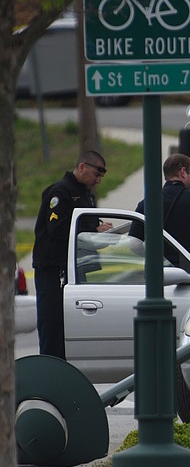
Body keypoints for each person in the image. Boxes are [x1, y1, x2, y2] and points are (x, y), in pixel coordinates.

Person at [33, 150, 113, 359]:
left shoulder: (85, 195)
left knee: (71, 328)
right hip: (54, 270)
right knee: (53, 327)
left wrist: (99, 231)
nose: (98, 180)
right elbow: (57, 229)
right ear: (82, 167)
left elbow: (84, 224)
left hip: (73, 269)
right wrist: (92, 232)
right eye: (96, 174)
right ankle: (51, 371)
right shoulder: (61, 192)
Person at [131, 153, 190, 273]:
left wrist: (152, 258)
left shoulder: (147, 203)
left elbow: (134, 244)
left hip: (158, 275)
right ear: (183, 172)